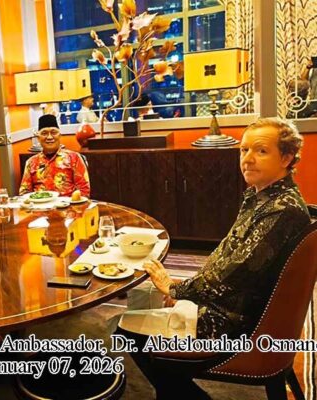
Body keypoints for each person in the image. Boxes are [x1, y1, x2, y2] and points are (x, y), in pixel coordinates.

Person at [118, 117, 310, 398]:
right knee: (143, 303)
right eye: (244, 150)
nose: (248, 159)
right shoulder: (263, 197)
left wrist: (176, 290)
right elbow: (225, 255)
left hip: (239, 326)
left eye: (261, 151)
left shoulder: (281, 210)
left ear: (287, 157)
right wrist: (187, 290)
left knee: (126, 330)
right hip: (236, 306)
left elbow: (234, 274)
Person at [19, 114, 91, 197]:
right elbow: (24, 192)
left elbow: (84, 190)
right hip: (39, 204)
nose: (49, 137)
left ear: (60, 135)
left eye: (53, 133)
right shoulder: (31, 162)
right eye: (44, 133)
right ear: (38, 138)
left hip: (68, 204)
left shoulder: (74, 158)